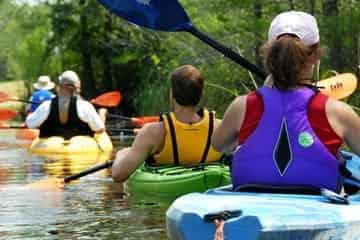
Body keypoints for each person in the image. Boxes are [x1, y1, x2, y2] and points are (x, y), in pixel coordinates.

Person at [212, 11, 360, 193]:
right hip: (319, 212)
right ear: (315, 55)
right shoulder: (339, 112)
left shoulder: (241, 106)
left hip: (250, 206)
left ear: (270, 54)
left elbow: (220, 145)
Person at [112, 64, 223, 183]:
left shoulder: (152, 132)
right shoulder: (221, 127)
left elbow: (118, 175)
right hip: (208, 187)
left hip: (165, 194)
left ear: (172, 94)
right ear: (201, 95)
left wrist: (121, 154)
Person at [26, 70, 105, 139]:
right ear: (76, 88)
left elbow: (29, 124)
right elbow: (100, 129)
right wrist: (102, 114)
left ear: (60, 87)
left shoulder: (46, 105)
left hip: (51, 148)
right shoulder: (85, 106)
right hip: (79, 148)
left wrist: (33, 116)